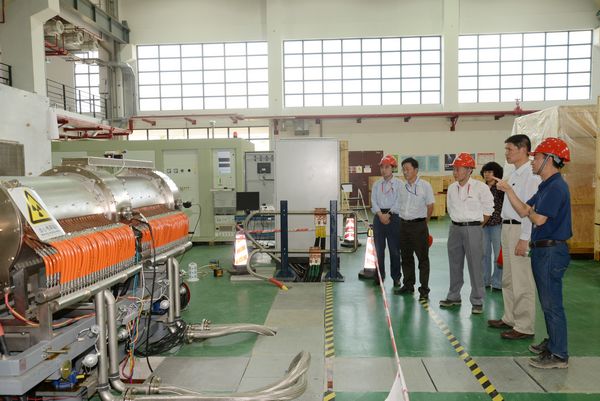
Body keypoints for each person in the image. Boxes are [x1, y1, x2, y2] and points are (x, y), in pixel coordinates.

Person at [495, 137, 572, 369]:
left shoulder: (556, 187)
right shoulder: (545, 185)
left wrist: (529, 212)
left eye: (537, 157)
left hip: (551, 251)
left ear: (549, 159)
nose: (533, 161)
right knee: (547, 302)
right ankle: (553, 343)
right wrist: (509, 191)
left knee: (552, 304)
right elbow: (523, 209)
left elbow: (537, 218)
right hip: (543, 249)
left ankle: (559, 354)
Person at [487, 135, 541, 341]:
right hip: (507, 227)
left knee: (522, 280)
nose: (507, 153)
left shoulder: (531, 175)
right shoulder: (512, 173)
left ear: (523, 149)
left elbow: (529, 210)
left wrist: (525, 238)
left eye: (509, 149)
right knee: (508, 278)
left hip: (520, 229)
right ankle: (510, 317)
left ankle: (524, 325)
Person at [440, 153, 494, 314]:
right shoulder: (451, 188)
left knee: (475, 265)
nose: (455, 172)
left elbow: (488, 209)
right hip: (455, 228)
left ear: (469, 170)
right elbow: (450, 208)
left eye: (458, 169)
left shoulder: (481, 188)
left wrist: (476, 226)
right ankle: (454, 296)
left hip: (473, 228)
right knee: (454, 264)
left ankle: (477, 300)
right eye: (454, 169)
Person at [394, 157, 435, 300]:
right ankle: (408, 285)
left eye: (408, 169)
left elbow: (430, 206)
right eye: (403, 169)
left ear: (416, 170)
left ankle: (424, 290)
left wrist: (424, 223)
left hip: (419, 226)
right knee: (406, 258)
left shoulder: (425, 186)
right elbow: (399, 205)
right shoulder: (402, 187)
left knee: (422, 259)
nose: (405, 172)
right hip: (403, 226)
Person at [371, 154, 402, 286]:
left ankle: (396, 277)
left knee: (394, 249)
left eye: (387, 167)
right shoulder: (377, 184)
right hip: (379, 217)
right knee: (379, 250)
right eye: (382, 167)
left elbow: (399, 201)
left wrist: (388, 215)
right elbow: (373, 201)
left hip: (393, 217)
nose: (384, 170)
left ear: (393, 168)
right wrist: (380, 214)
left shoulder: (399, 184)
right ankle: (379, 275)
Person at [480, 161, 504, 291]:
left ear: (496, 173)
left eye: (490, 172)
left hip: (496, 224)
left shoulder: (500, 188)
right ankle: (485, 280)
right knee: (484, 253)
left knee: (497, 254)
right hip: (483, 224)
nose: (487, 174)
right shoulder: (481, 188)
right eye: (485, 172)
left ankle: (497, 282)